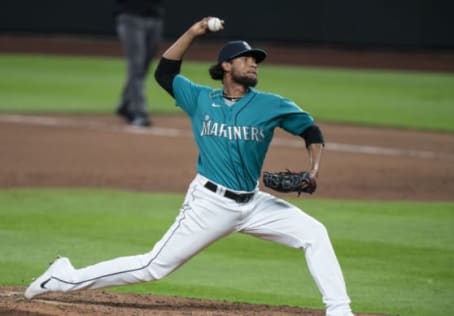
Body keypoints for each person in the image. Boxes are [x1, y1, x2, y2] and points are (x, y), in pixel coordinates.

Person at [25, 18, 355, 316]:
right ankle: (63, 277)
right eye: (246, 58)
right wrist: (195, 32)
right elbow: (164, 72)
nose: (253, 64)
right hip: (209, 204)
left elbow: (311, 130)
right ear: (226, 65)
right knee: (153, 267)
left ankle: (339, 310)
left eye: (256, 60)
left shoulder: (272, 104)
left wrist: (313, 170)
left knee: (314, 233)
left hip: (254, 204)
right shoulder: (199, 98)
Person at [114, 0, 166, 127]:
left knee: (144, 66)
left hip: (155, 16)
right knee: (136, 67)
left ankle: (125, 104)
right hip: (130, 16)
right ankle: (139, 113)